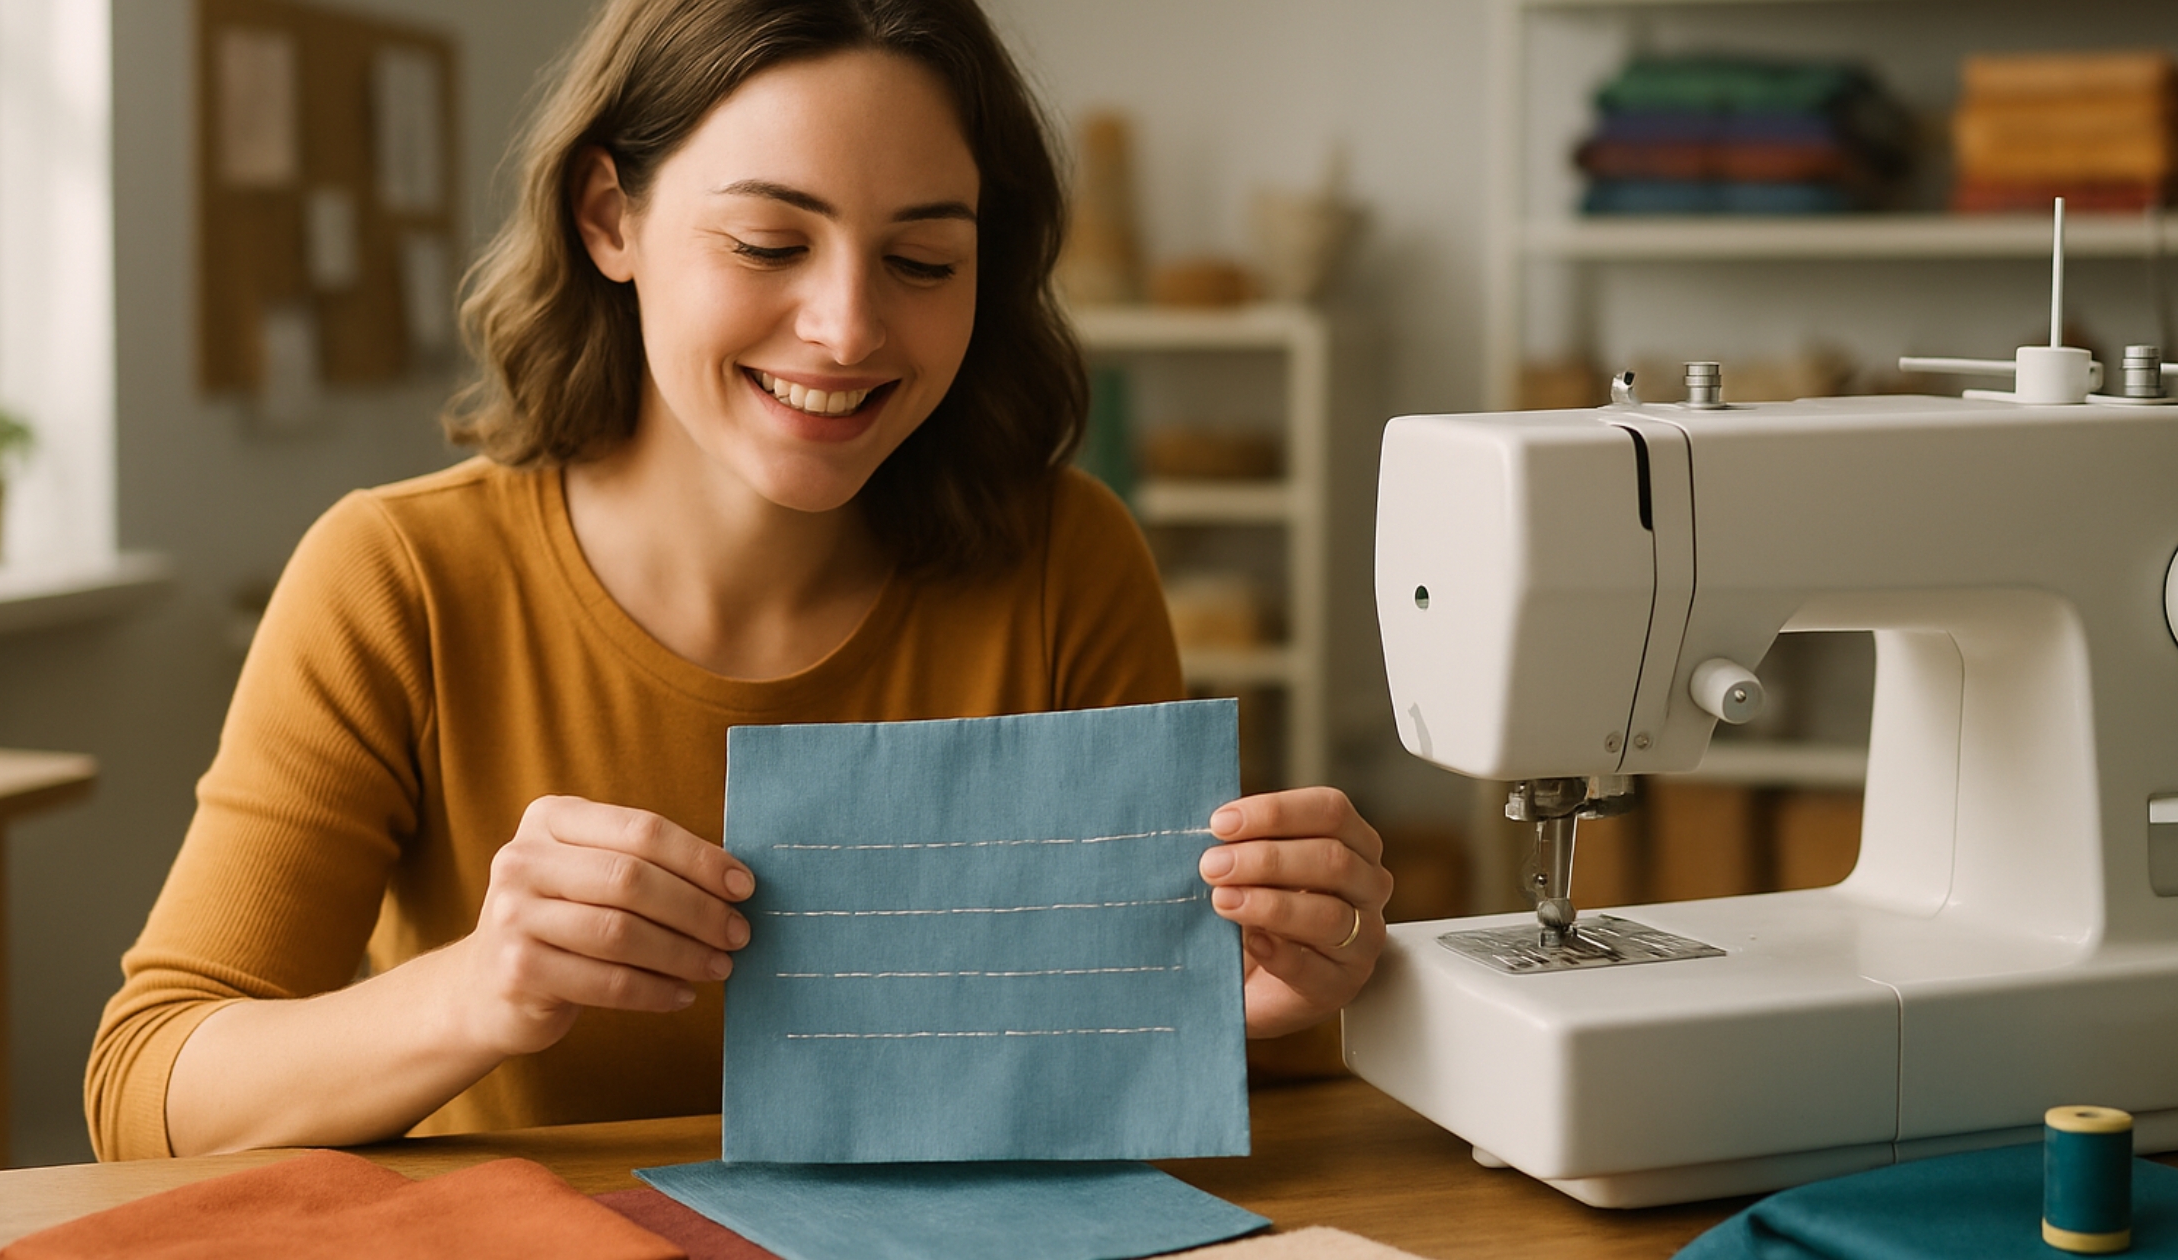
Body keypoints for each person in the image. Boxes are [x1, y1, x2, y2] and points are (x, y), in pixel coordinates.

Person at [87, 0, 1392, 1161]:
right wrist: (479, 988)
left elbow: (1157, 1078)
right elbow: (147, 1090)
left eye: (923, 261)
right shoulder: (400, 579)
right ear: (611, 219)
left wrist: (1264, 1004)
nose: (848, 329)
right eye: (770, 243)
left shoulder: (1066, 561)